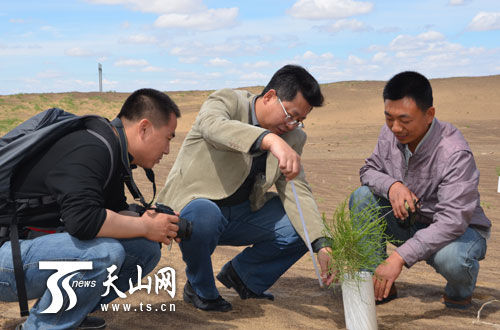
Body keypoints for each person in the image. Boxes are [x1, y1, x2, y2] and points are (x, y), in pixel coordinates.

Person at [156, 64, 335, 312]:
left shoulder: (293, 137)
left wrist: (321, 243)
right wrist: (268, 139)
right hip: (194, 209)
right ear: (271, 96)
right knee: (204, 215)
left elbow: (297, 190)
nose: (293, 125)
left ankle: (245, 277)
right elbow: (213, 126)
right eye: (291, 115)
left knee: (300, 226)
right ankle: (199, 287)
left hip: (242, 213)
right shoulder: (226, 100)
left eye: (300, 121)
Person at [0, 88, 181, 329]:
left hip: (27, 250)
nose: (168, 150)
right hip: (7, 255)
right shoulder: (92, 147)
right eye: (169, 137)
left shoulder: (112, 150)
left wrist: (149, 218)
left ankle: (67, 316)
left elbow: (113, 212)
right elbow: (83, 221)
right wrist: (145, 225)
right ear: (145, 128)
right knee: (103, 254)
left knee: (143, 249)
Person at [350, 71, 491, 309]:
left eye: (404, 121)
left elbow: (452, 221)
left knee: (455, 259)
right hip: (409, 221)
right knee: (362, 198)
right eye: (388, 118)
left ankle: (458, 294)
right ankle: (379, 283)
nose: (395, 128)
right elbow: (369, 171)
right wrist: (393, 186)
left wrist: (400, 257)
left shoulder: (454, 152)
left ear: (429, 115)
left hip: (457, 233)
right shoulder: (390, 133)